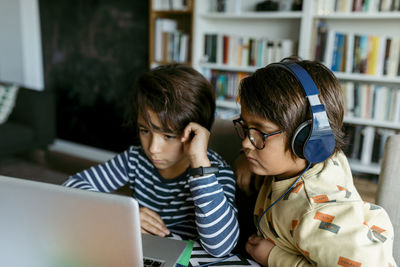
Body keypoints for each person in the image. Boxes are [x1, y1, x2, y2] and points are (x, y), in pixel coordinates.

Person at [233, 58, 396, 266]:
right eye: (246, 128)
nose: (247, 142)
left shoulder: (319, 211)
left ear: (306, 139)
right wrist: (246, 157)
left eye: (260, 133)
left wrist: (275, 258)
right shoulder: (313, 157)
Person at [63, 64, 239, 257]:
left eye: (168, 136)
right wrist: (124, 215)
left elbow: (221, 247)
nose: (153, 148)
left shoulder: (215, 171)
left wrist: (199, 164)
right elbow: (70, 187)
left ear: (194, 133)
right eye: (145, 130)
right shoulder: (135, 159)